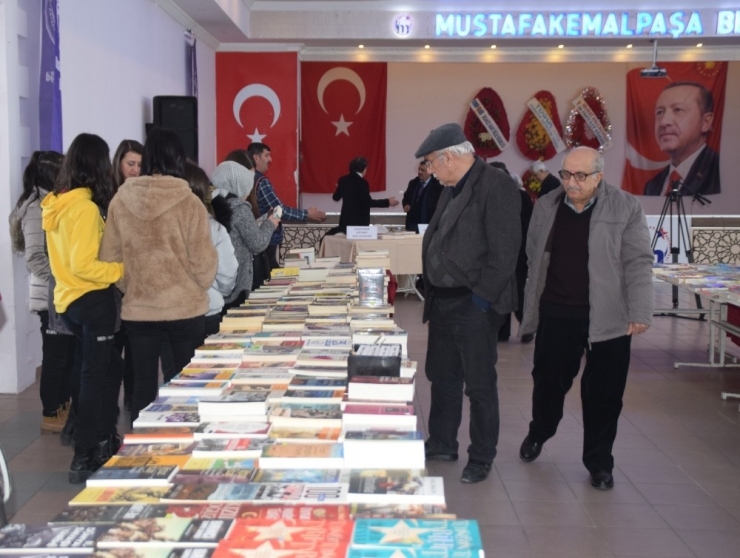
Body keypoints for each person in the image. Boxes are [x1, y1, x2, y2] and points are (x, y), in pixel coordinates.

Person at [518, 146, 653, 490]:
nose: (571, 183)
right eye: (566, 174)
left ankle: (599, 463)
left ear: (599, 176)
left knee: (605, 394)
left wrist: (639, 310)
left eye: (580, 176)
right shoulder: (547, 205)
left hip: (610, 317)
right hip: (558, 310)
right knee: (548, 381)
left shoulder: (625, 206)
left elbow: (638, 260)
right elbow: (534, 254)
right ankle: (541, 430)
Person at [416, 123, 521, 484]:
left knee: (478, 385)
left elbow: (505, 252)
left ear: (449, 156)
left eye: (430, 161)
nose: (429, 169)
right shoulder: (451, 187)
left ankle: (481, 456)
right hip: (443, 303)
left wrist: (481, 300)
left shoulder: (496, 185)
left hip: (473, 304)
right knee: (442, 378)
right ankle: (443, 442)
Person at [99, 128, 218, 424]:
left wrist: (135, 286)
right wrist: (190, 285)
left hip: (139, 309)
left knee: (142, 385)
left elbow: (109, 259)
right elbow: (204, 265)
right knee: (186, 382)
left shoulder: (120, 200)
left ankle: (143, 452)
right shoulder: (189, 202)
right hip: (185, 307)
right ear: (178, 159)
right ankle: (185, 446)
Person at [41, 133, 124, 483]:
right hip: (92, 299)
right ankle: (86, 453)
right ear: (96, 165)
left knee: (107, 372)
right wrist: (123, 269)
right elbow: (85, 265)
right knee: (95, 378)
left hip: (69, 303)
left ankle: (101, 437)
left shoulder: (58, 204)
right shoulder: (85, 208)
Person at [10, 151, 76, 434]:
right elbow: (36, 258)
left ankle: (63, 403)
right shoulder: (37, 207)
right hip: (49, 295)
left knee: (65, 353)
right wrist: (67, 276)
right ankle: (51, 411)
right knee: (56, 356)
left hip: (59, 292)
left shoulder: (52, 202)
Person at [211, 161, 280, 310]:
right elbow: (257, 243)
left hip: (215, 284)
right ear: (239, 185)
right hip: (236, 284)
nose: (249, 192)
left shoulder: (211, 204)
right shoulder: (240, 208)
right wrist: (270, 224)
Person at [247, 142, 325, 269]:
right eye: (267, 155)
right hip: (266, 238)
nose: (270, 160)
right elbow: (279, 211)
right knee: (269, 275)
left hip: (253, 237)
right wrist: (307, 214)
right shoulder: (262, 182)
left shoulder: (247, 179)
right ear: (256, 158)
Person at [183, 161, 239, 335]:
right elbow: (228, 272)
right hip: (208, 307)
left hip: (171, 311)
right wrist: (220, 290)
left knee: (173, 362)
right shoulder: (213, 227)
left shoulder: (160, 226)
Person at [111, 139, 143, 411]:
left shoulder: (146, 196)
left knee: (136, 356)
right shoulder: (110, 196)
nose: (135, 170)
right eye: (130, 164)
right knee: (112, 357)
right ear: (118, 164)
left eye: (140, 165)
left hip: (138, 289)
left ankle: (134, 404)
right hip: (114, 286)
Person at [643, 81, 720, 196]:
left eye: (678, 110)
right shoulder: (652, 186)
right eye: (660, 112)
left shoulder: (722, 172)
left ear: (706, 122)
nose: (664, 122)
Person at [489, 162, 534, 344]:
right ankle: (502, 331)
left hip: (517, 253)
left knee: (519, 291)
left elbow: (527, 226)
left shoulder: (521, 196)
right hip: (497, 253)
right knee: (501, 292)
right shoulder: (490, 197)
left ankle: (527, 327)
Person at [331, 156, 399, 233]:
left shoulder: (342, 180)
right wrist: (387, 202)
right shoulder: (362, 183)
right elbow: (367, 202)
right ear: (364, 169)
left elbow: (335, 197)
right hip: (359, 223)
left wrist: (339, 187)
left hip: (345, 221)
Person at [402, 160, 443, 232]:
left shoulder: (438, 186)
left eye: (422, 170)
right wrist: (406, 204)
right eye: (419, 169)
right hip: (412, 225)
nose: (420, 172)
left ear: (430, 171)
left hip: (429, 225)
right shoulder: (413, 183)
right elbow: (406, 198)